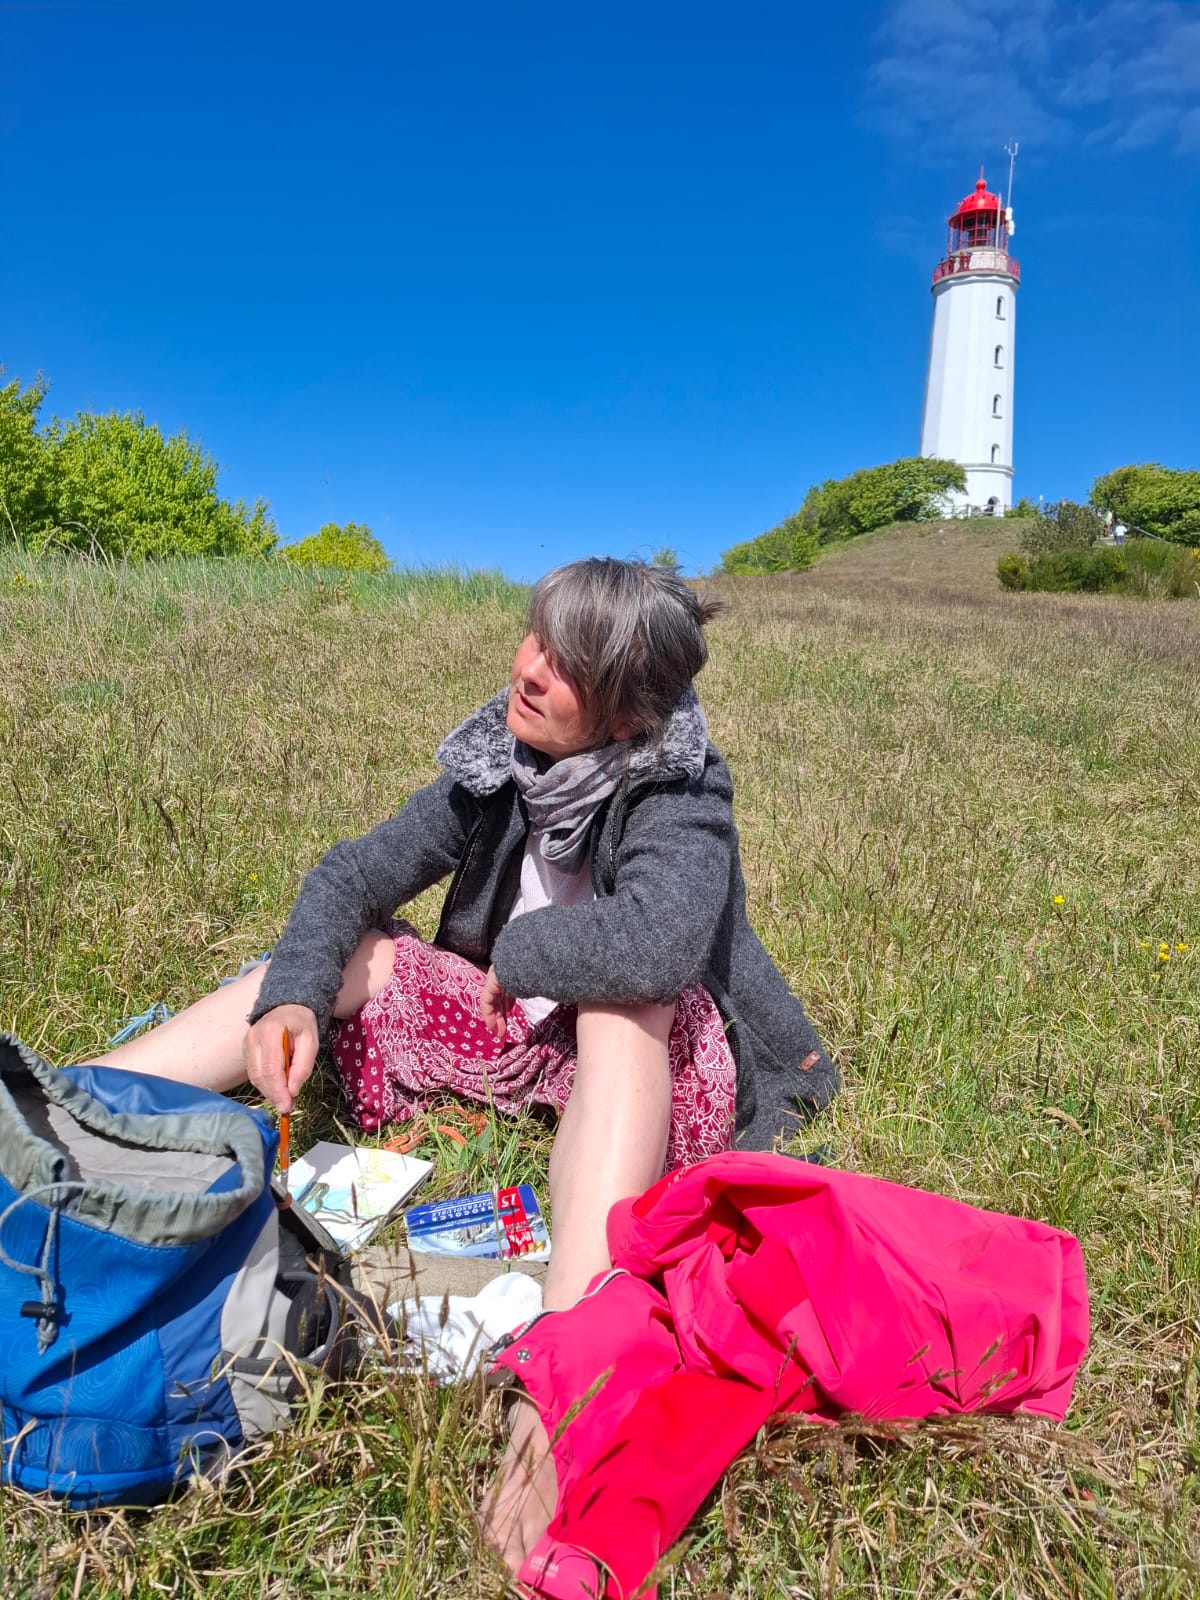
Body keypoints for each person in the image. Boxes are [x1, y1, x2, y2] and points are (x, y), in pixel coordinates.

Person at [97, 555, 838, 1566]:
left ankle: (558, 1398)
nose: (528, 667)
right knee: (351, 953)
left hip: (655, 1067)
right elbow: (355, 872)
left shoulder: (680, 781)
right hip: (516, 1031)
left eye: (566, 663)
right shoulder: (504, 754)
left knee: (626, 999)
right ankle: (73, 1104)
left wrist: (528, 953)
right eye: (537, 634)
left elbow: (661, 942)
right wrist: (296, 993)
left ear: (628, 715)